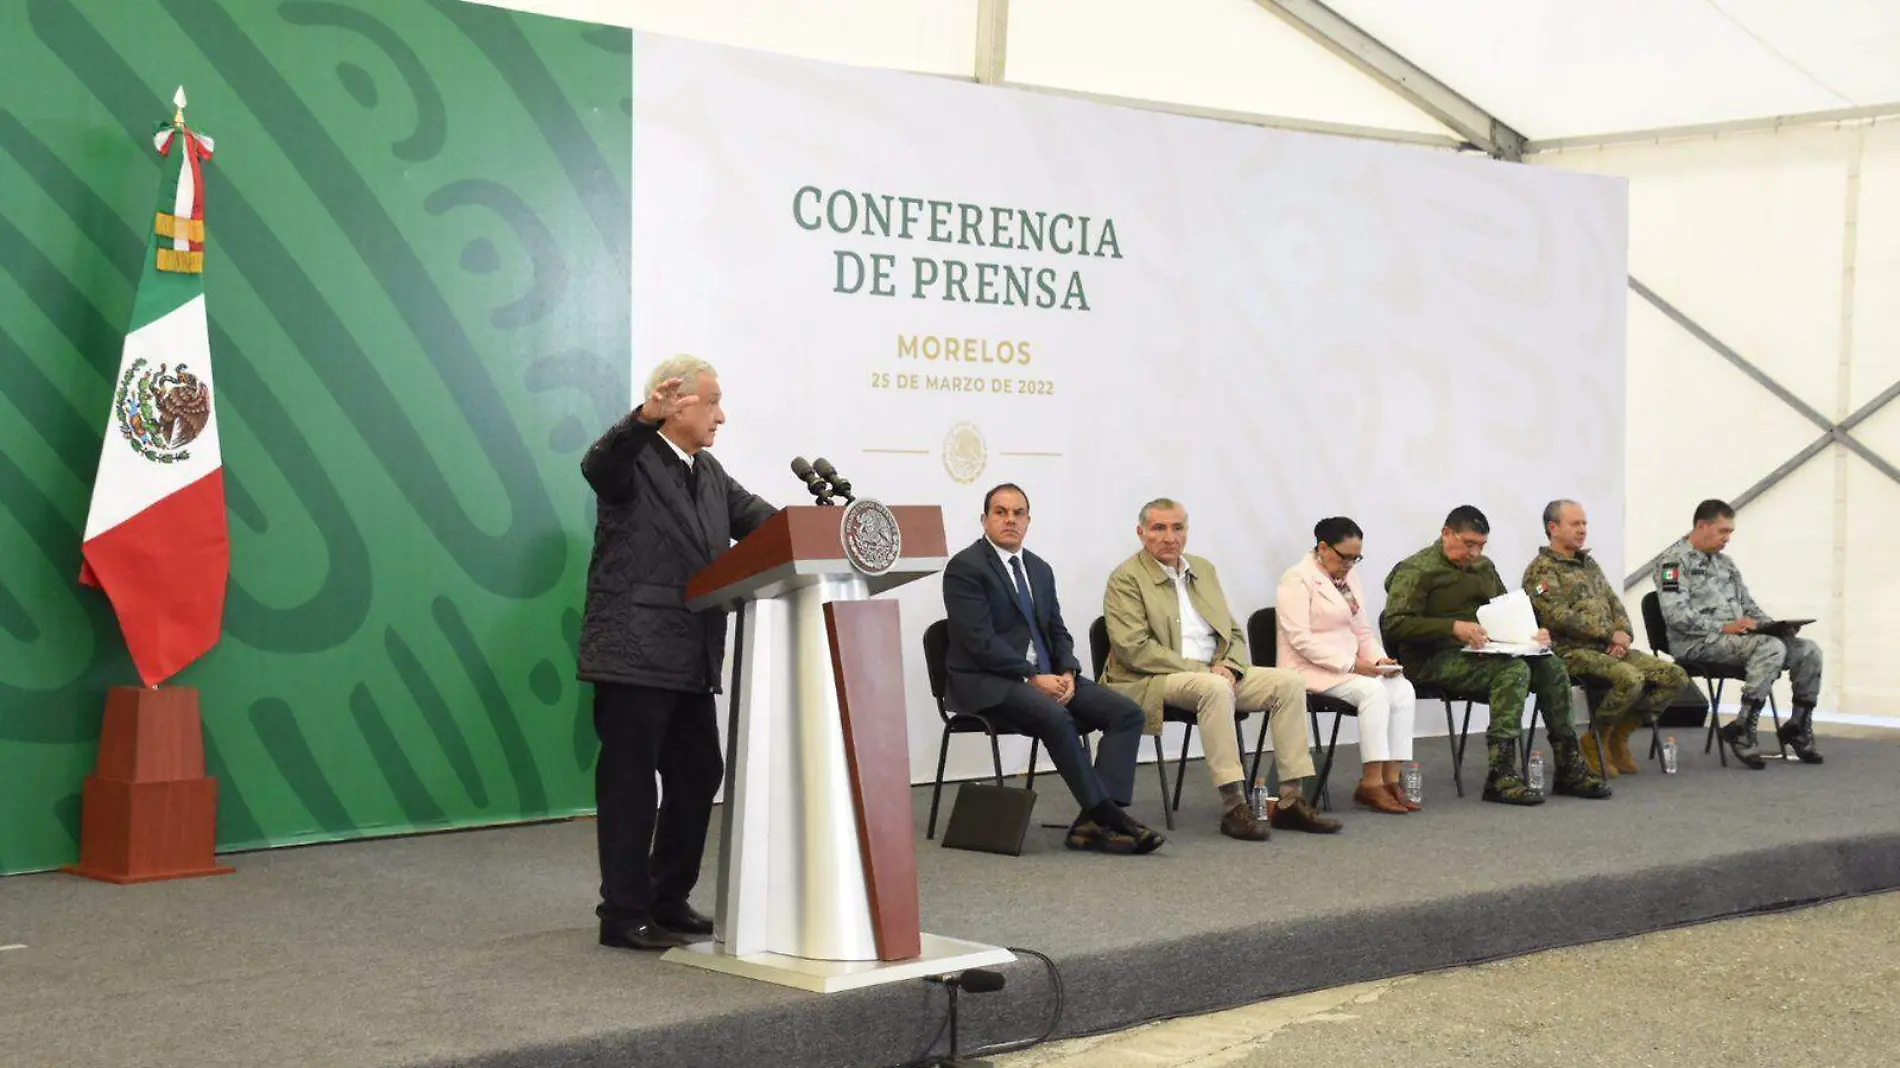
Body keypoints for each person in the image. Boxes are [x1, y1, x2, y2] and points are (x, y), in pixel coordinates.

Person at [578, 356, 778, 951]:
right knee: (631, 784)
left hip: (690, 655)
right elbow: (599, 464)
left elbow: (765, 526)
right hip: (633, 653)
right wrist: (642, 419)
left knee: (696, 774)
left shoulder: (710, 472)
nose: (723, 413)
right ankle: (623, 912)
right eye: (712, 401)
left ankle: (668, 898)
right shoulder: (632, 458)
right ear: (677, 404)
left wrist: (830, 531)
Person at [942, 484, 1165, 854]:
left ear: (1028, 521)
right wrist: (1029, 676)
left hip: (1047, 677)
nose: (1010, 519)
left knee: (1126, 713)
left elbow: (1057, 630)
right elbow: (978, 640)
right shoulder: (966, 568)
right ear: (984, 520)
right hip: (990, 682)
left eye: (1018, 513)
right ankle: (1109, 816)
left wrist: (1067, 671)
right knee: (1056, 718)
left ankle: (1091, 823)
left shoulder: (1039, 569)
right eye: (1000, 512)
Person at [1100, 499, 1341, 840]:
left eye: (1178, 528)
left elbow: (1233, 632)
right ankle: (1233, 806)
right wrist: (1203, 670)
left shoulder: (1203, 569)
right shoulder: (1126, 578)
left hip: (1214, 673)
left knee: (1288, 682)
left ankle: (1290, 800)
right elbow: (1133, 649)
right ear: (1141, 533)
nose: (1170, 537)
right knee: (1213, 688)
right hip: (1153, 678)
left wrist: (1230, 665)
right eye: (1159, 528)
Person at [1380, 505, 1610, 805]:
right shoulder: (1417, 569)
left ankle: (1569, 768)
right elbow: (1395, 624)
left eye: (1481, 545)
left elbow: (1506, 609)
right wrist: (1452, 627)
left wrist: (1533, 632)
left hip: (1483, 652)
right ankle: (1501, 775)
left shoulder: (1483, 568)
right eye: (1468, 544)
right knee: (1512, 672)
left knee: (1551, 667)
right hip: (1432, 659)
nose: (1474, 553)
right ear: (1446, 533)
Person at [1523, 500, 1689, 778]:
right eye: (1575, 524)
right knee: (1631, 679)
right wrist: (1607, 634)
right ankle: (1595, 739)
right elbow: (1556, 616)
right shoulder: (1541, 570)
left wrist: (1622, 637)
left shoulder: (1589, 563)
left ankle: (1618, 735)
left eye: (1584, 523)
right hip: (1570, 652)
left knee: (1674, 677)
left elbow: (1614, 603)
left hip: (1609, 648)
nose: (1582, 530)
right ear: (1553, 528)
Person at [1655, 499, 1823, 767]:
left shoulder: (1726, 564)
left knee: (1808, 650)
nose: (1727, 538)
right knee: (1769, 648)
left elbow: (1748, 606)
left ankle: (1798, 726)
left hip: (1739, 640)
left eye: (1730, 532)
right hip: (1697, 643)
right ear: (1702, 525)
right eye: (1723, 531)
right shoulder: (1672, 563)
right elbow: (1675, 616)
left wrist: (1774, 627)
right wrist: (1723, 627)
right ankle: (1745, 730)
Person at [1277, 517, 1418, 814]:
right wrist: (1352, 664)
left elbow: (1362, 632)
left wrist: (1380, 660)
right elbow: (1300, 640)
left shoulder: (1348, 579)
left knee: (1402, 689)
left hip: (1351, 667)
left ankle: (1391, 779)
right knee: (1372, 692)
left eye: (1357, 558)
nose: (1351, 564)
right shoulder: (1296, 579)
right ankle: (1370, 783)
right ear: (1324, 548)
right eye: (1346, 557)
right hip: (1306, 669)